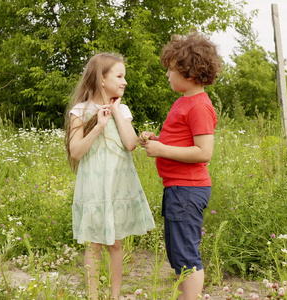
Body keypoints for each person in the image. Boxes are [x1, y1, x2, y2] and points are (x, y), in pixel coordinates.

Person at [64, 52, 155, 300]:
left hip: (117, 186)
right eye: (119, 76)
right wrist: (99, 128)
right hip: (94, 187)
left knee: (115, 243)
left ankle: (115, 296)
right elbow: (76, 151)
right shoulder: (80, 111)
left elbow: (130, 144)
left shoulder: (122, 109)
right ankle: (94, 296)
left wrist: (114, 112)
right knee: (93, 245)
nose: (124, 81)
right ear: (102, 79)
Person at [138, 31, 221, 300]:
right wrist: (157, 140)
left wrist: (162, 149)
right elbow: (181, 142)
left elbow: (203, 152)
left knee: (187, 255)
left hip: (187, 190)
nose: (167, 75)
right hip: (176, 188)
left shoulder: (199, 106)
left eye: (171, 70)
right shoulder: (184, 102)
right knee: (177, 254)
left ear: (189, 73)